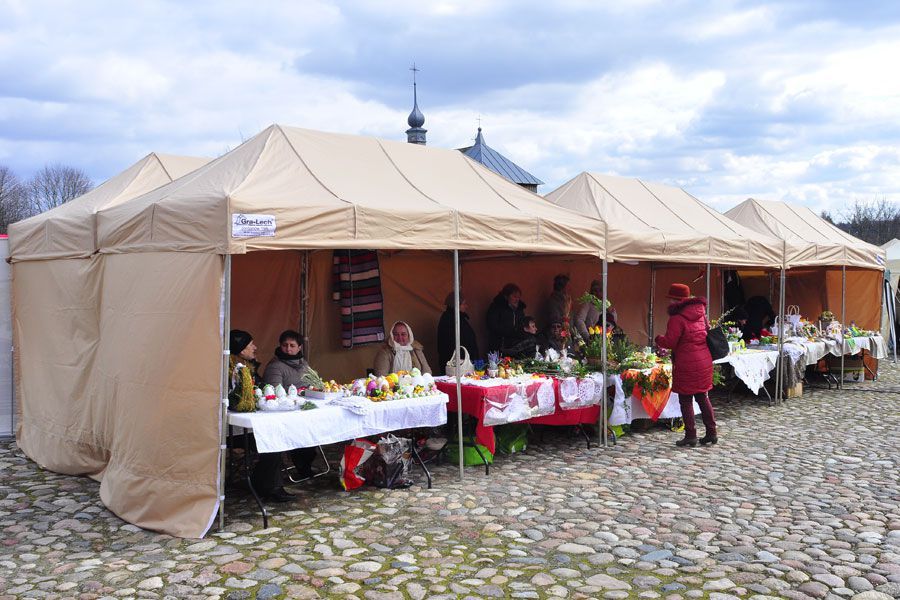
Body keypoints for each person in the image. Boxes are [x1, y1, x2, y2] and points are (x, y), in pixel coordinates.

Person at [228, 330, 294, 503]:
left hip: (248, 424)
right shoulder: (237, 371)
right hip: (235, 430)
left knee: (276, 435)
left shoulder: (247, 367)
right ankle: (270, 486)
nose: (255, 347)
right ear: (242, 350)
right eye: (251, 345)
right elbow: (241, 399)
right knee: (274, 439)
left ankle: (262, 481)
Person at [654, 284, 718, 448]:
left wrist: (658, 339)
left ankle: (690, 435)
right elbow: (706, 331)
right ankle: (712, 432)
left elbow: (670, 342)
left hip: (686, 362)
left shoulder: (677, 318)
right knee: (703, 397)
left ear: (676, 300)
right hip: (704, 360)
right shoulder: (701, 313)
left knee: (686, 399)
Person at [262, 330, 318, 480]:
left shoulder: (303, 364)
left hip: (304, 408)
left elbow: (312, 384)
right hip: (286, 411)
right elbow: (274, 392)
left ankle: (306, 462)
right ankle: (301, 464)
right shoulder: (275, 366)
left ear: (299, 347)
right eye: (285, 345)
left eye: (292, 345)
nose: (288, 349)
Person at [436, 292, 480, 375]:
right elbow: (449, 344)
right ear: (456, 304)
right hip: (456, 364)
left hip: (463, 361)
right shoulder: (449, 319)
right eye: (464, 304)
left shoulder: (459, 317)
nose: (466, 306)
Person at [486, 283, 526, 352]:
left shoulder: (519, 309)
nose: (517, 299)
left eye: (518, 297)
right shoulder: (496, 307)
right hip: (499, 343)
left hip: (516, 344)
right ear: (506, 296)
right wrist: (510, 332)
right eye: (514, 296)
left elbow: (522, 323)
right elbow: (492, 325)